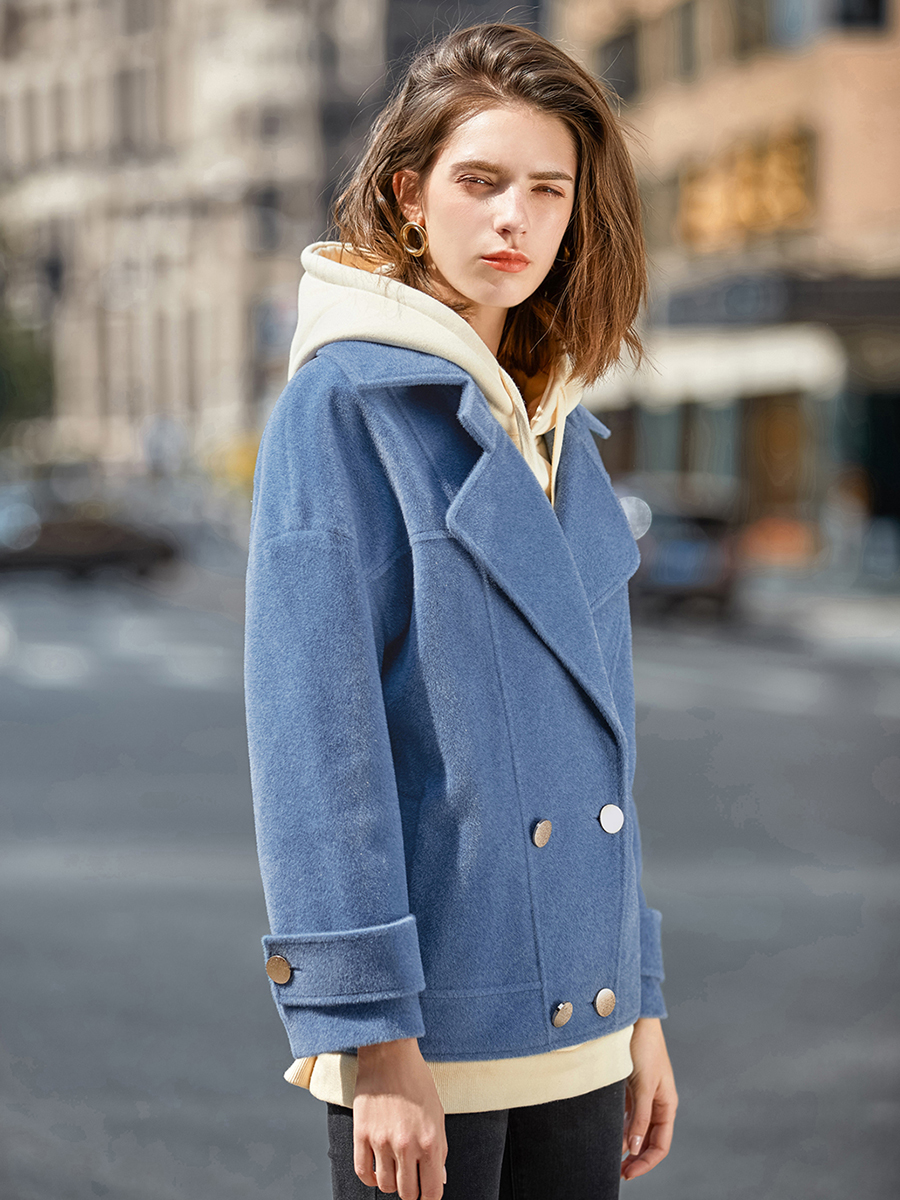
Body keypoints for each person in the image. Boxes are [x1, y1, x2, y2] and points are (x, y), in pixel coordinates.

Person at [244, 22, 677, 1200]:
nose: (513, 220)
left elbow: (601, 750)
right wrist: (372, 1038)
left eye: (548, 190)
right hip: (433, 1030)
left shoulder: (562, 424)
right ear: (409, 195)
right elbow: (318, 752)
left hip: (584, 1020)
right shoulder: (343, 407)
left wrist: (640, 1005)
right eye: (480, 182)